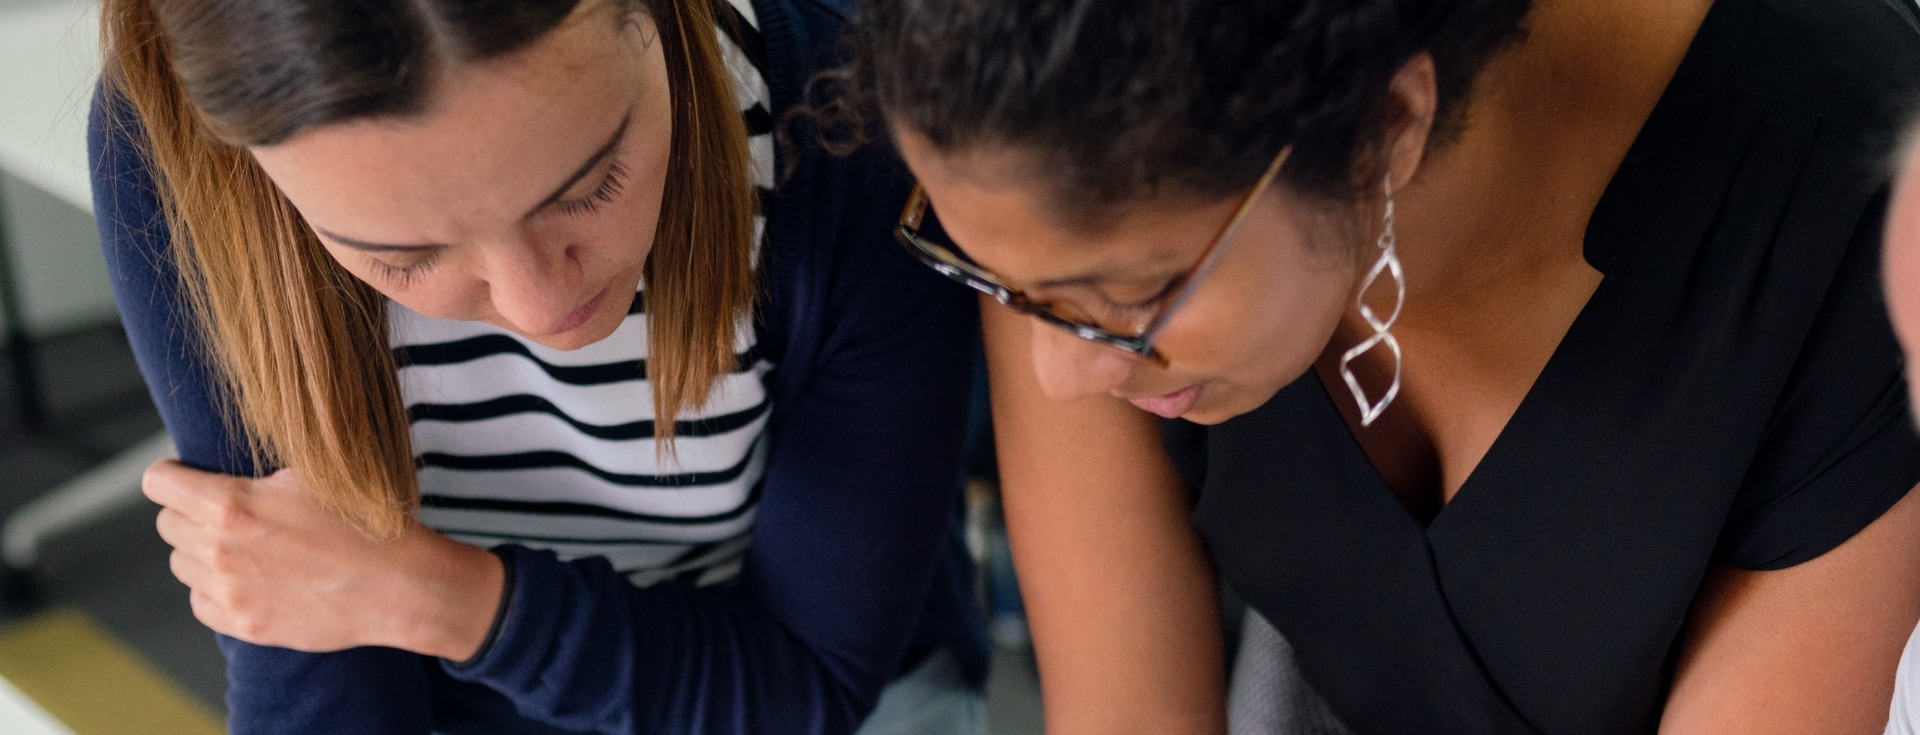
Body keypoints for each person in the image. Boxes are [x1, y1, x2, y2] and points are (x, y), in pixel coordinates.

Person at [841, 0, 1920, 731]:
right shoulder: (1046, 157)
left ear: (1386, 125)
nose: (1057, 375)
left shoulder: (1859, 239)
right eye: (991, 273)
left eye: (1129, 296)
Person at [90, 0, 987, 733]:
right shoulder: (174, 158)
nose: (538, 310)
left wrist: (440, 598)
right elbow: (319, 655)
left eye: (591, 185)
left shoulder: (845, 120)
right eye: (403, 258)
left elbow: (808, 684)